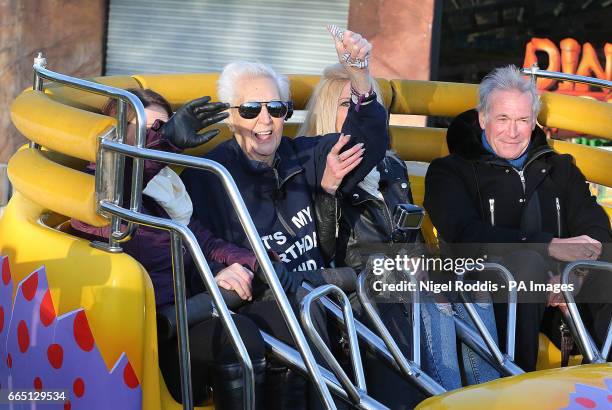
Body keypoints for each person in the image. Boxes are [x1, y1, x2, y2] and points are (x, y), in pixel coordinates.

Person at [182, 28, 387, 408]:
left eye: (276, 109)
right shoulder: (206, 176)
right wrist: (214, 271)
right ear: (230, 117)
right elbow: (188, 243)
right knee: (293, 320)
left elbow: (366, 145)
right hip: (261, 301)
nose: (265, 120)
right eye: (250, 109)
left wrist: (359, 73)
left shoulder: (300, 155)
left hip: (320, 293)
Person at [300, 64, 500, 408]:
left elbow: (412, 242)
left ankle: (491, 398)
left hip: (403, 284)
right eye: (348, 106)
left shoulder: (392, 167)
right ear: (326, 113)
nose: (359, 115)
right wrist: (328, 192)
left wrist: (423, 268)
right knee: (427, 301)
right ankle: (445, 400)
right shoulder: (313, 171)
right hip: (359, 293)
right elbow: (323, 250)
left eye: (367, 105)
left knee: (474, 287)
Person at [71, 88, 268, 409]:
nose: (156, 138)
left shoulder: (165, 188)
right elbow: (107, 212)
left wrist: (259, 266)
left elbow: (205, 243)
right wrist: (164, 143)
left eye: (164, 129)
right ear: (116, 132)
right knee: (237, 339)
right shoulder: (94, 189)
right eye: (147, 131)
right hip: (140, 343)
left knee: (271, 320)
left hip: (182, 321)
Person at [424, 65, 612, 371]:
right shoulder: (450, 171)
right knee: (527, 264)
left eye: (523, 120)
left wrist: (576, 275)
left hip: (561, 292)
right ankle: (512, 386)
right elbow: (465, 235)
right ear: (483, 118)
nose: (513, 131)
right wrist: (547, 246)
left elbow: (594, 225)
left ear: (533, 121)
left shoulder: (559, 168)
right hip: (491, 295)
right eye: (503, 119)